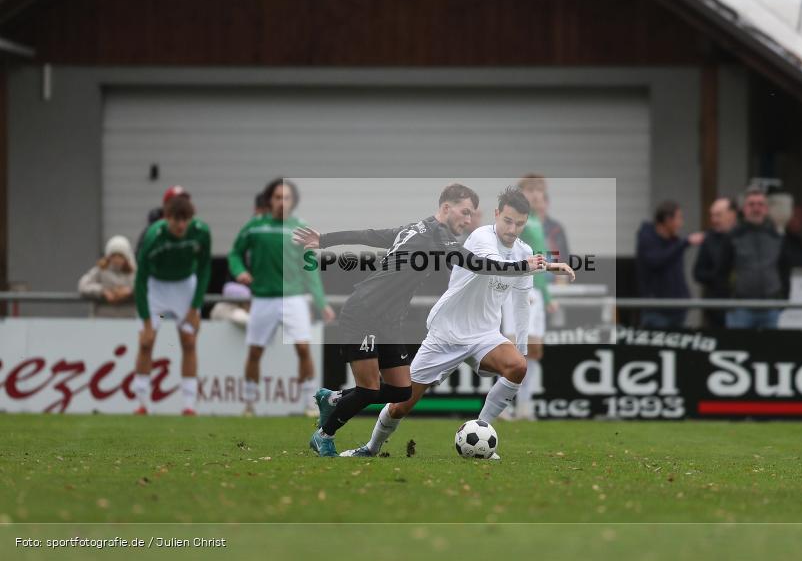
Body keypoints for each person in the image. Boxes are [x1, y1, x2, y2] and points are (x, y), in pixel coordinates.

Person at [291, 183, 546, 457]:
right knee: (375, 392)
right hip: (378, 316)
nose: (469, 220)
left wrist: (325, 239)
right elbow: (475, 263)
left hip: (399, 322)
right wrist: (524, 267)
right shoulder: (453, 236)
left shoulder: (418, 228)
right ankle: (336, 436)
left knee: (401, 391)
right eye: (465, 212)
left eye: (472, 214)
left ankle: (335, 399)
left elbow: (370, 235)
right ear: (446, 208)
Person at [228, 178, 336, 417]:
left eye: (286, 198)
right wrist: (240, 271)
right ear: (269, 200)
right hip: (263, 298)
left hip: (294, 298)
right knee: (255, 351)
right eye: (277, 197)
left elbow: (310, 269)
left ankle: (310, 404)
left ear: (293, 202)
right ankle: (249, 403)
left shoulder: (301, 229)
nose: (282, 202)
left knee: (303, 348)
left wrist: (321, 303)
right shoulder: (255, 226)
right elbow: (235, 253)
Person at [132, 194, 211, 416]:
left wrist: (195, 308)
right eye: (176, 219)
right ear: (167, 218)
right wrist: (147, 321)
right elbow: (140, 279)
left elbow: (205, 268)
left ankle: (189, 405)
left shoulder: (202, 232)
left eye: (185, 219)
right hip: (156, 287)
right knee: (146, 343)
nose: (181, 225)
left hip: (185, 285)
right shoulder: (153, 235)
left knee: (189, 341)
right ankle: (141, 402)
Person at [500, 175, 556, 420]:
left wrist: (545, 293)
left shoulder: (537, 225)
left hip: (535, 292)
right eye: (530, 190)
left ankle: (525, 405)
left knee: (533, 350)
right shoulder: (520, 225)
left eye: (540, 191)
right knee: (513, 348)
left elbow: (542, 262)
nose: (536, 195)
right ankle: (502, 404)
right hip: (519, 290)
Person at [719, 186, 790, 329]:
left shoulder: (776, 236)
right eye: (751, 204)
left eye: (760, 204)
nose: (756, 208)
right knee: (738, 347)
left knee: (769, 350)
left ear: (766, 209)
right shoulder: (733, 236)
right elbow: (721, 271)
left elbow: (784, 269)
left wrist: (783, 299)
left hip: (770, 306)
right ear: (744, 209)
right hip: (740, 307)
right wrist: (727, 302)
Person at [635, 201, 704, 328]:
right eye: (679, 218)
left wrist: (685, 296)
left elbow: (677, 275)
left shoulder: (674, 241)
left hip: (678, 309)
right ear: (667, 220)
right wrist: (685, 243)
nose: (681, 224)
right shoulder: (647, 239)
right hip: (656, 311)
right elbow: (656, 261)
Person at [692, 197, 737, 328]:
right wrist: (718, 277)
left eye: (718, 215)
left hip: (741, 304)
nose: (714, 220)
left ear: (732, 214)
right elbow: (698, 272)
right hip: (715, 305)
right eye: (712, 215)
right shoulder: (709, 239)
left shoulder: (742, 236)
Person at [78, 235, 136, 318]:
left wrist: (130, 291)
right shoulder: (100, 269)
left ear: (126, 257)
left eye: (120, 256)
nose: (117, 259)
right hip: (102, 321)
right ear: (108, 256)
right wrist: (102, 291)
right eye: (113, 255)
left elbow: (146, 288)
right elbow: (83, 285)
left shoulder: (133, 272)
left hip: (127, 321)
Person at [136, 185, 189, 255]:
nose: (182, 206)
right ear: (166, 205)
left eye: (184, 202)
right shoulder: (151, 232)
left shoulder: (193, 230)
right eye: (178, 202)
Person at [780, 203, 802, 297]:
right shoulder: (780, 241)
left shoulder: (800, 242)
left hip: (801, 291)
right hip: (785, 293)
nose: (801, 220)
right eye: (796, 216)